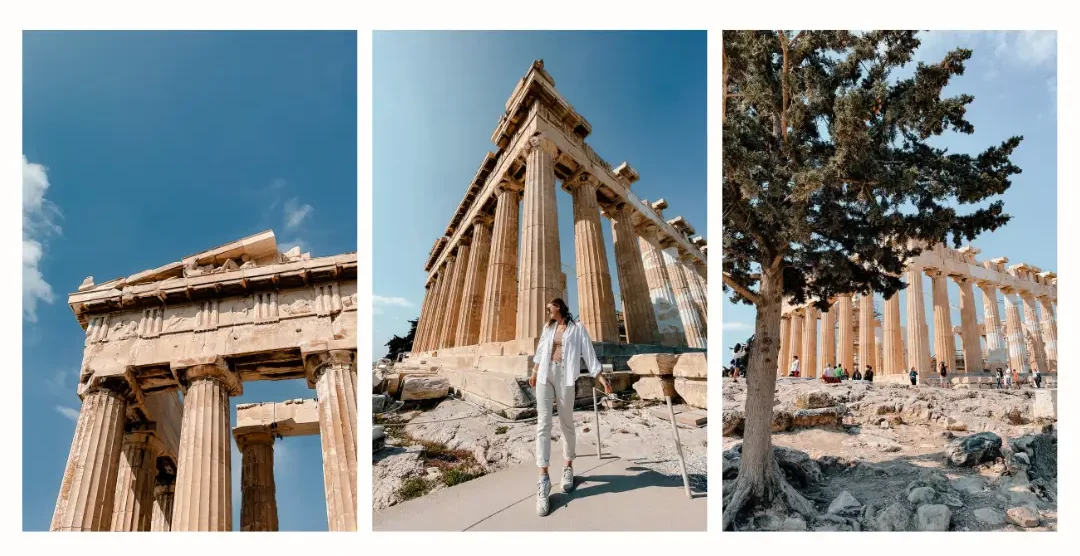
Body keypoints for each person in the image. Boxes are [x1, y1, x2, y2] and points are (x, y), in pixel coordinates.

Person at [528, 298, 609, 517]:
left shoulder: (577, 328)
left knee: (566, 424)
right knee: (543, 425)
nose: (547, 309)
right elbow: (541, 349)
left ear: (560, 307)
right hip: (545, 375)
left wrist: (599, 376)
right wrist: (535, 372)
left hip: (565, 377)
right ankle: (543, 478)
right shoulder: (548, 327)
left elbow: (588, 353)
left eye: (549, 306)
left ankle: (568, 467)